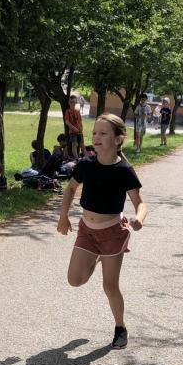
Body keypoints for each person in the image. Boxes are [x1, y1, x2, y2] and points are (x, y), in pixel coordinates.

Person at [57, 113, 148, 349]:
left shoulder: (124, 170)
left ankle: (120, 327)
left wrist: (138, 219)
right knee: (74, 280)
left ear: (118, 139)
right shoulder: (86, 164)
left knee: (109, 286)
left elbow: (140, 203)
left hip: (112, 235)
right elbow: (70, 189)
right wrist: (63, 216)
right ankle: (97, 258)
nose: (96, 137)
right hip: (87, 231)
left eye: (103, 133)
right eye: (94, 133)